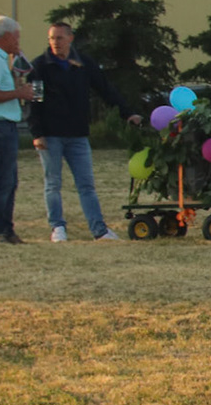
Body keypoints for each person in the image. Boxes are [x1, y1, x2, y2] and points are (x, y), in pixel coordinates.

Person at [26, 21, 142, 243]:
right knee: (53, 183)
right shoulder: (39, 67)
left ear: (70, 38)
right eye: (51, 38)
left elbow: (105, 89)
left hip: (78, 135)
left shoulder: (84, 64)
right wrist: (36, 133)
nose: (55, 42)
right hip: (50, 135)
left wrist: (127, 113)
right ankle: (57, 227)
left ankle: (99, 230)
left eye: (59, 38)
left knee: (86, 184)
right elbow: (34, 101)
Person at [0, 16, 34, 244]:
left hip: (4, 127)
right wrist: (19, 94)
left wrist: (18, 76)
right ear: (6, 36)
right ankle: (2, 230)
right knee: (3, 180)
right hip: (0, 126)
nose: (18, 42)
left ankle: (5, 229)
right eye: (17, 38)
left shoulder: (2, 59)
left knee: (8, 180)